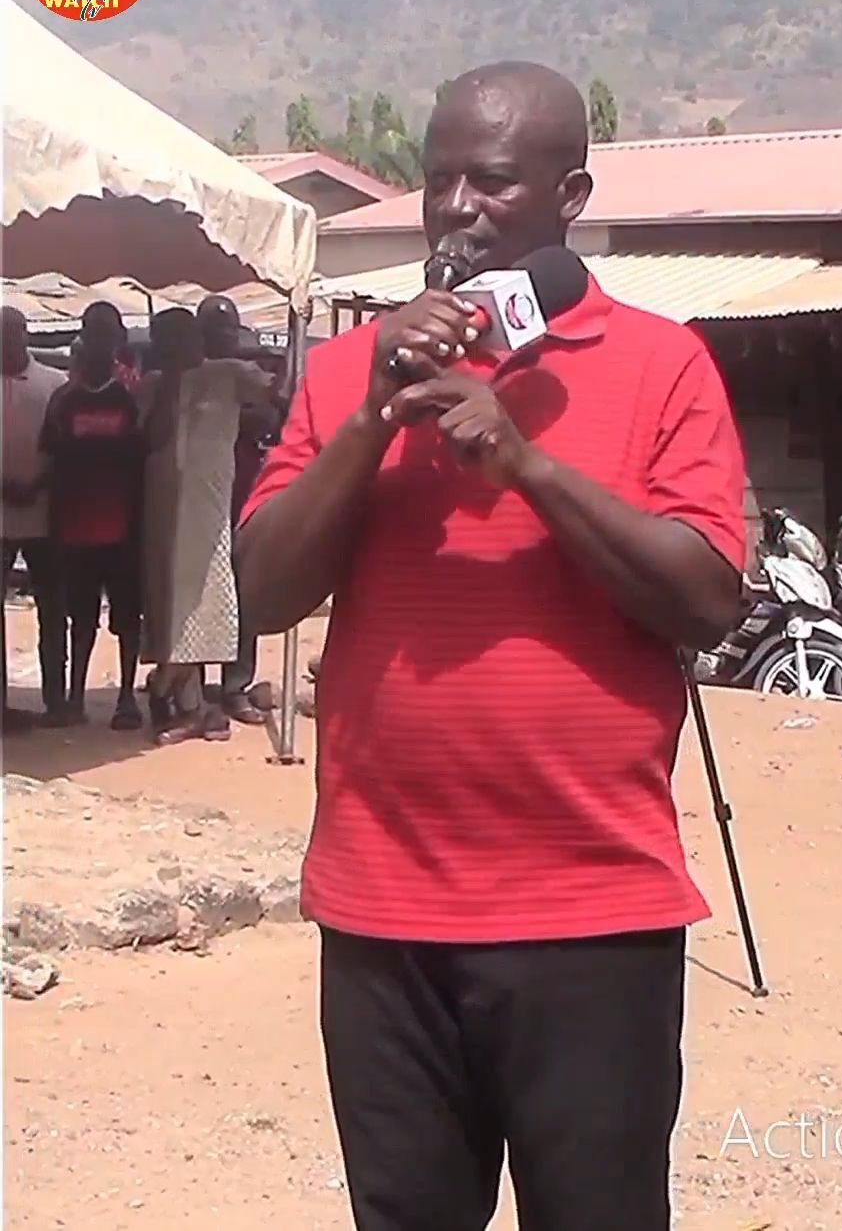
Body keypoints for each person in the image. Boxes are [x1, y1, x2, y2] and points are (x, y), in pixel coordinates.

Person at [237, 61, 746, 1231]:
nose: (458, 208)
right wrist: (371, 415)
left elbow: (706, 601)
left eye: (494, 181)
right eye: (441, 180)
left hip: (591, 915)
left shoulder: (662, 363)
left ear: (570, 196)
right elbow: (264, 592)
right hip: (383, 912)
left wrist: (527, 466)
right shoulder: (346, 372)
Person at [139, 307, 273, 745]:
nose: (173, 347)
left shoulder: (229, 374)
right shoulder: (153, 385)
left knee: (204, 604)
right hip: (162, 513)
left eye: (179, 337)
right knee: (170, 607)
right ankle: (188, 704)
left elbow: (279, 395)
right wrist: (171, 380)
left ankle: (179, 696)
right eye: (164, 340)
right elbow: (153, 437)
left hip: (208, 513)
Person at [41, 324, 144, 728]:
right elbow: (50, 455)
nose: (99, 348)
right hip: (76, 529)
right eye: (93, 338)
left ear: (116, 346)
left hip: (123, 530)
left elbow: (143, 456)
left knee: (127, 619)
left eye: (106, 340)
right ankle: (75, 697)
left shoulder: (131, 400)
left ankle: (126, 698)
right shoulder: (63, 401)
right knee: (80, 620)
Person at [1, 307, 67, 730]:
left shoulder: (54, 384)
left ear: (24, 335)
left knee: (52, 610)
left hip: (46, 517)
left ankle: (56, 702)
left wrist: (38, 484)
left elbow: (68, 450)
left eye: (12, 334)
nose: (6, 342)